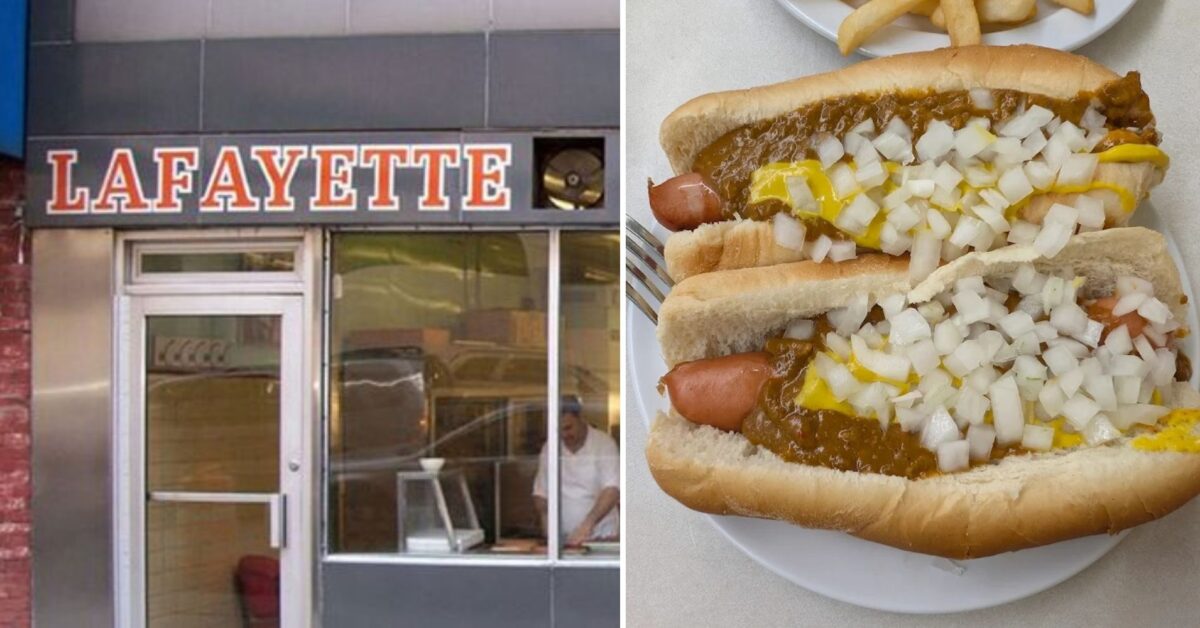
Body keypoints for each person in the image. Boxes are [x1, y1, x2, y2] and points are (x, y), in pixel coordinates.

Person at [533, 396, 620, 546]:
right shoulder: (550, 447)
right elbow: (541, 495)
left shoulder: (603, 444)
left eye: (568, 428)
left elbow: (611, 490)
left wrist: (587, 525)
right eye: (559, 430)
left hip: (601, 535)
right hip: (563, 541)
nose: (564, 435)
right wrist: (549, 533)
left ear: (580, 418)